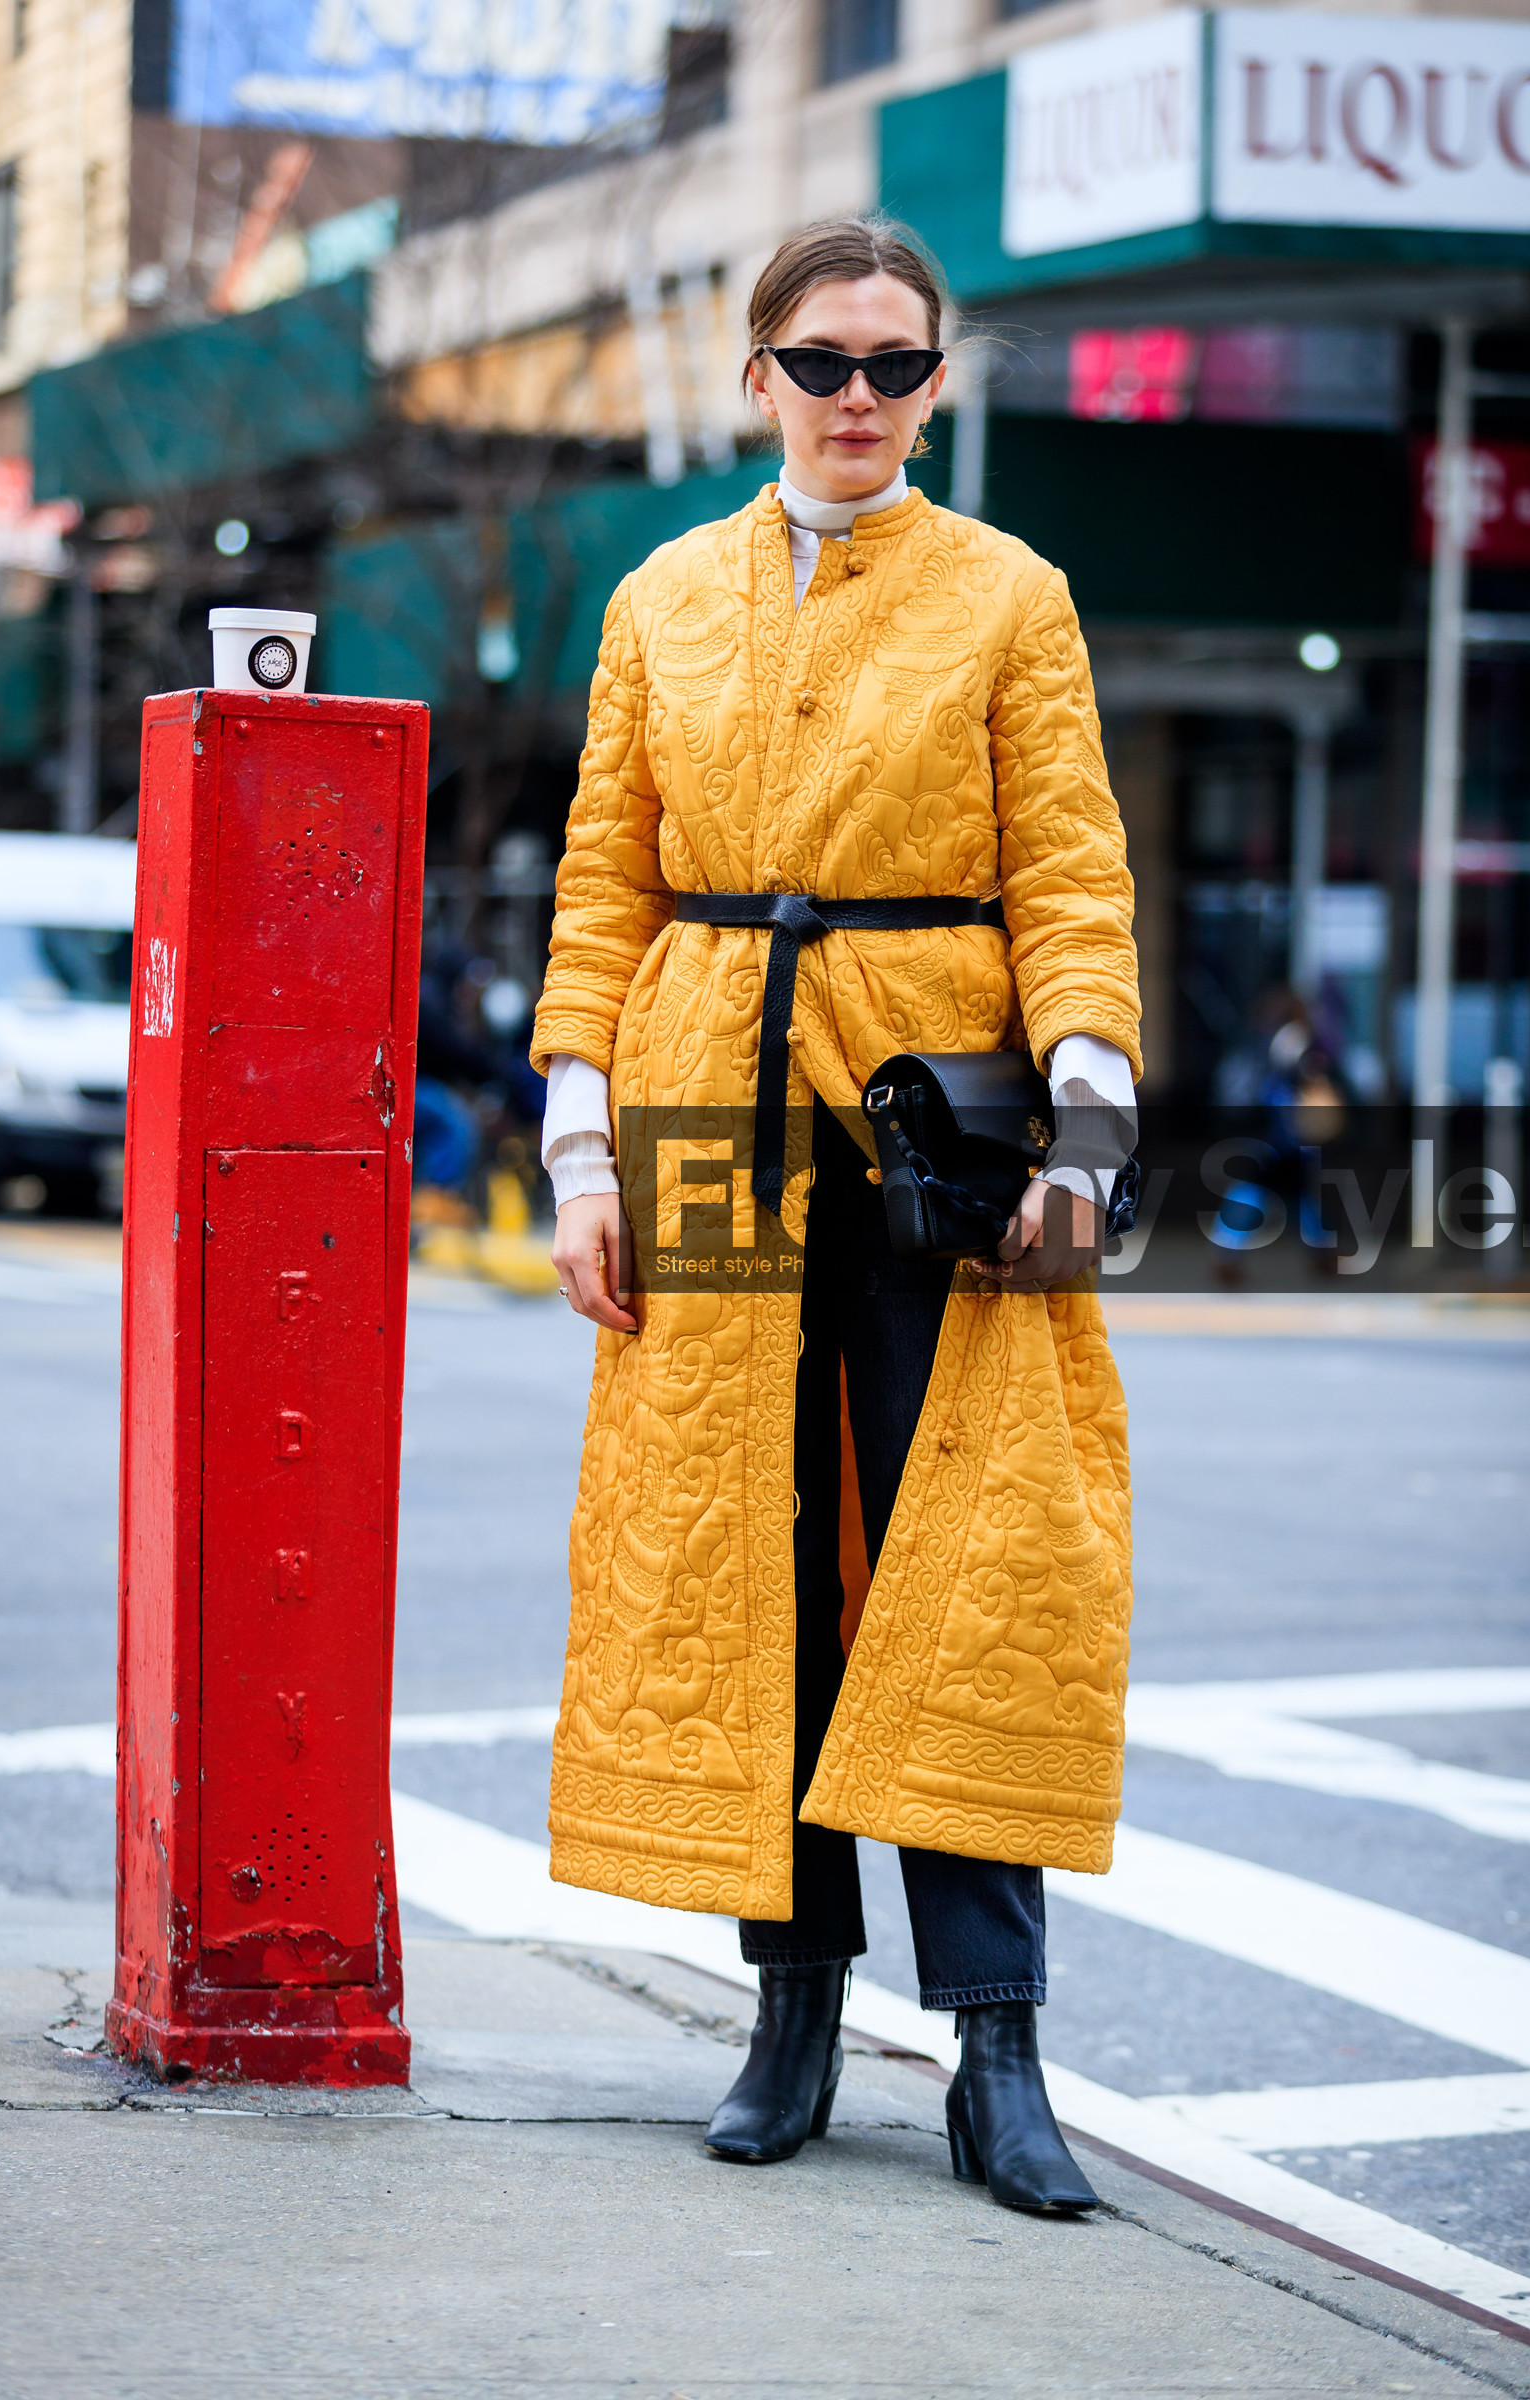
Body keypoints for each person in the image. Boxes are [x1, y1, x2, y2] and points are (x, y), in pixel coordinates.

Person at [532, 217, 1142, 2214]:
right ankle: (789, 2011)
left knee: (958, 1554)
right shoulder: (656, 598)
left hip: (928, 1113)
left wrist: (1085, 1116)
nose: (857, 396)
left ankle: (996, 2048)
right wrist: (576, 1150)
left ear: (937, 382)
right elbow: (601, 894)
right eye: (820, 362)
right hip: (705, 1086)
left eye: (892, 363)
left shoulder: (1009, 598)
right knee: (749, 1560)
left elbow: (1066, 870)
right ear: (755, 374)